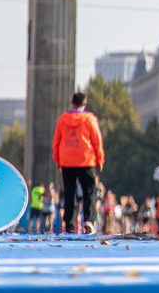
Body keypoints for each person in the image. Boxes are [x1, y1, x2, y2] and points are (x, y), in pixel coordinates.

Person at [52, 91, 104, 235]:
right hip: (86, 160)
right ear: (85, 103)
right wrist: (100, 159)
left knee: (69, 192)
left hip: (67, 160)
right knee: (89, 191)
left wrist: (58, 159)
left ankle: (69, 223)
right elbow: (97, 141)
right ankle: (89, 220)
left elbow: (56, 141)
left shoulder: (62, 119)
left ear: (72, 103)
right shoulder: (89, 119)